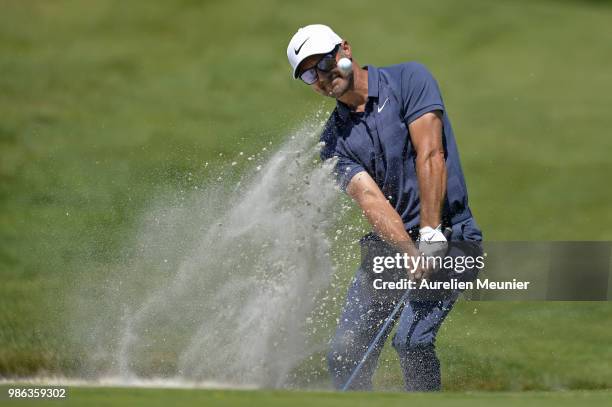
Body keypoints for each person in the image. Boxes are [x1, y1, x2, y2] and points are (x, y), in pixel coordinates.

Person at [286, 24, 483, 391]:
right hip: (393, 248)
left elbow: (431, 154)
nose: (323, 76)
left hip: (453, 235)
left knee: (411, 341)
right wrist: (410, 251)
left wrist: (430, 232)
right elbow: (371, 200)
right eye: (310, 74)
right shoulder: (333, 143)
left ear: (344, 49)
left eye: (325, 61)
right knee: (344, 353)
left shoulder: (409, 79)